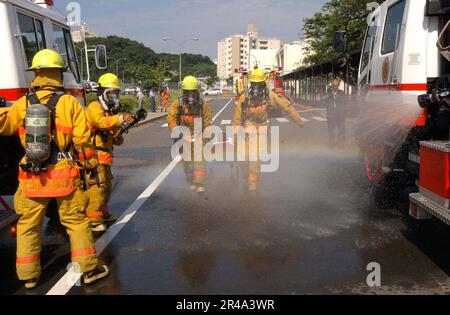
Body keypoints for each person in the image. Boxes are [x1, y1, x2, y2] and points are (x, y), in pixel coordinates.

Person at [0, 49, 109, 289]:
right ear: (59, 73)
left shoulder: (23, 103)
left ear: (36, 74)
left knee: (28, 225)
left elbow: (4, 125)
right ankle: (89, 270)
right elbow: (83, 141)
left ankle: (28, 276)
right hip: (64, 175)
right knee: (76, 222)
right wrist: (90, 166)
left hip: (31, 175)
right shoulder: (70, 103)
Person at [232, 68, 304, 191]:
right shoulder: (245, 98)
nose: (255, 87)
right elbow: (237, 119)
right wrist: (235, 136)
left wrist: (298, 121)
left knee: (255, 157)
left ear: (263, 83)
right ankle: (246, 176)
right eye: (254, 84)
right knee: (241, 156)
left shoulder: (270, 96)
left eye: (258, 84)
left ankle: (252, 186)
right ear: (250, 84)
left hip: (262, 129)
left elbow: (286, 106)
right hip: (247, 129)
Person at [82, 73, 134, 233]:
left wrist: (120, 132)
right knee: (98, 186)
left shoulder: (108, 112)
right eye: (110, 93)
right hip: (94, 155)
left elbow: (113, 135)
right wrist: (119, 119)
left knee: (106, 185)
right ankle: (93, 220)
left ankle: (102, 213)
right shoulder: (94, 108)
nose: (113, 97)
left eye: (116, 94)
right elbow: (100, 123)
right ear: (102, 93)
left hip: (104, 155)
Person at [167, 76, 212, 193]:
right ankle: (191, 180)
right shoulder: (178, 104)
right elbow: (171, 119)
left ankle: (200, 182)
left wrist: (205, 135)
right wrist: (181, 133)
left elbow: (207, 120)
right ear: (184, 92)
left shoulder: (202, 104)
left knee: (200, 159)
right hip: (184, 136)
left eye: (193, 92)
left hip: (198, 135)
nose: (191, 95)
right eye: (188, 92)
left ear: (197, 91)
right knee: (187, 161)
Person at [324, 79, 346, 146]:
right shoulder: (328, 93)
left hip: (339, 114)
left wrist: (335, 96)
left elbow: (343, 101)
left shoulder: (341, 93)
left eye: (336, 85)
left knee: (341, 129)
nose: (334, 87)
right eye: (333, 86)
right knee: (331, 129)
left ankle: (340, 143)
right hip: (331, 114)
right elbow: (324, 102)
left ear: (338, 86)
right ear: (332, 86)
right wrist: (328, 96)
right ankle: (331, 142)